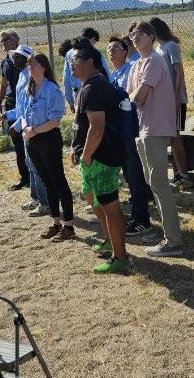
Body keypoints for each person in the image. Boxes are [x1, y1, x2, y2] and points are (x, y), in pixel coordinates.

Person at [69, 41, 131, 274]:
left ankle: (121, 257)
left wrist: (85, 155)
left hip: (101, 158)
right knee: (94, 198)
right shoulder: (90, 86)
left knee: (110, 206)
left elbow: (97, 128)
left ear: (90, 62)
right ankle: (109, 241)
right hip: (94, 157)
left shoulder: (94, 89)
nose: (71, 64)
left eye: (75, 60)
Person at [126, 20, 184, 257]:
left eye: (139, 33)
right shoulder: (136, 64)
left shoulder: (154, 61)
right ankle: (168, 235)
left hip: (155, 128)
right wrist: (134, 95)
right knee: (154, 183)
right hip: (143, 127)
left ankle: (173, 241)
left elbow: (137, 97)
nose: (134, 37)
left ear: (151, 36)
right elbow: (129, 95)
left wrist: (134, 95)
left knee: (159, 183)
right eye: (132, 34)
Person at [21, 53, 75, 242]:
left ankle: (69, 225)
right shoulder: (29, 90)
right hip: (32, 139)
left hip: (48, 139)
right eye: (28, 65)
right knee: (46, 181)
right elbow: (22, 115)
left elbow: (55, 120)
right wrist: (26, 129)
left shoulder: (52, 90)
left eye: (33, 64)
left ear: (43, 67)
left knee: (58, 180)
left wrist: (34, 131)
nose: (30, 67)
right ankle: (55, 223)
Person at [108, 36, 153, 237]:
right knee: (129, 174)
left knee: (135, 174)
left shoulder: (130, 70)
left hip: (130, 129)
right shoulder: (113, 74)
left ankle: (142, 219)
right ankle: (137, 212)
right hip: (119, 130)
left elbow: (129, 100)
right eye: (109, 48)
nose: (111, 51)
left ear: (125, 52)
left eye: (116, 48)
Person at [9, 45, 51, 216]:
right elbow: (21, 107)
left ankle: (45, 202)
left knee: (35, 164)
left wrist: (18, 124)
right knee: (29, 163)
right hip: (25, 125)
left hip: (31, 126)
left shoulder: (30, 78)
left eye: (18, 56)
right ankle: (36, 197)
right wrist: (9, 115)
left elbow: (28, 107)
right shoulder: (21, 76)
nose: (14, 58)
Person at [151, 16, 192, 187]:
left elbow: (179, 72)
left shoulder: (171, 46)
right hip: (164, 101)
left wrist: (176, 98)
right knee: (171, 138)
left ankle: (184, 175)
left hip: (175, 100)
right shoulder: (159, 48)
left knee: (176, 138)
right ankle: (177, 173)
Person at [0, 30, 28, 190]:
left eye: (6, 39)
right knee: (17, 141)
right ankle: (25, 177)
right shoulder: (5, 63)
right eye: (1, 41)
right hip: (11, 104)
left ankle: (35, 176)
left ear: (15, 41)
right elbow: (3, 84)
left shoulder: (25, 58)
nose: (4, 43)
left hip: (26, 104)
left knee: (28, 139)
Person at [63, 28, 107, 112]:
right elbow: (106, 74)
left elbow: (66, 80)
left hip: (77, 97)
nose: (72, 63)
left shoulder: (69, 53)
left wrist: (71, 102)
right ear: (93, 39)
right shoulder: (95, 53)